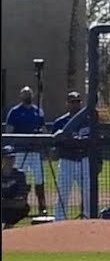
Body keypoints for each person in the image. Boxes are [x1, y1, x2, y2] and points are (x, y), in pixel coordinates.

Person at [4, 85, 47, 215]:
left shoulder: (38, 111)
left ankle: (42, 207)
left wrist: (44, 139)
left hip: (35, 151)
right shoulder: (15, 111)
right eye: (25, 93)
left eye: (29, 93)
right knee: (20, 178)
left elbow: (43, 129)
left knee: (39, 179)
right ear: (21, 96)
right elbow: (9, 131)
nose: (27, 96)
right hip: (20, 151)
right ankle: (20, 206)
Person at [50, 91, 90, 221]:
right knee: (63, 193)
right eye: (73, 102)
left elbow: (96, 143)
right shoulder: (60, 122)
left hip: (84, 160)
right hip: (66, 161)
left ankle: (89, 218)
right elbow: (54, 144)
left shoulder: (88, 121)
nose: (75, 104)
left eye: (78, 102)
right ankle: (59, 220)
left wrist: (99, 161)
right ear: (67, 104)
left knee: (88, 193)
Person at [2, 145, 31, 228]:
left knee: (24, 208)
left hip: (13, 209)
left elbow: (21, 202)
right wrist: (12, 202)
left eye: (12, 158)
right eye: (7, 158)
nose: (10, 161)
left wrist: (5, 202)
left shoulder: (19, 175)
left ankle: (8, 227)